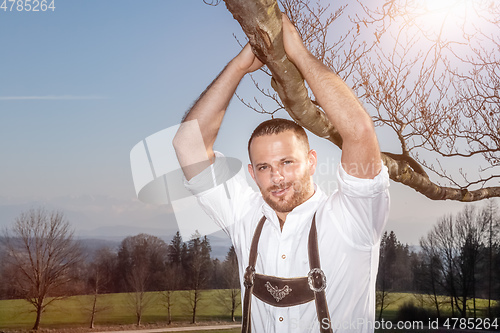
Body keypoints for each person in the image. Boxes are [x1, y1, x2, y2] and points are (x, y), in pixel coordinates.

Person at [173, 14, 390, 333]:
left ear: (312, 161)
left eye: (288, 162)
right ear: (252, 172)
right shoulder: (245, 215)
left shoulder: (351, 217)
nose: (277, 177)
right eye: (264, 167)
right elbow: (188, 143)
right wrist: (238, 67)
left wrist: (299, 55)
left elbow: (358, 131)